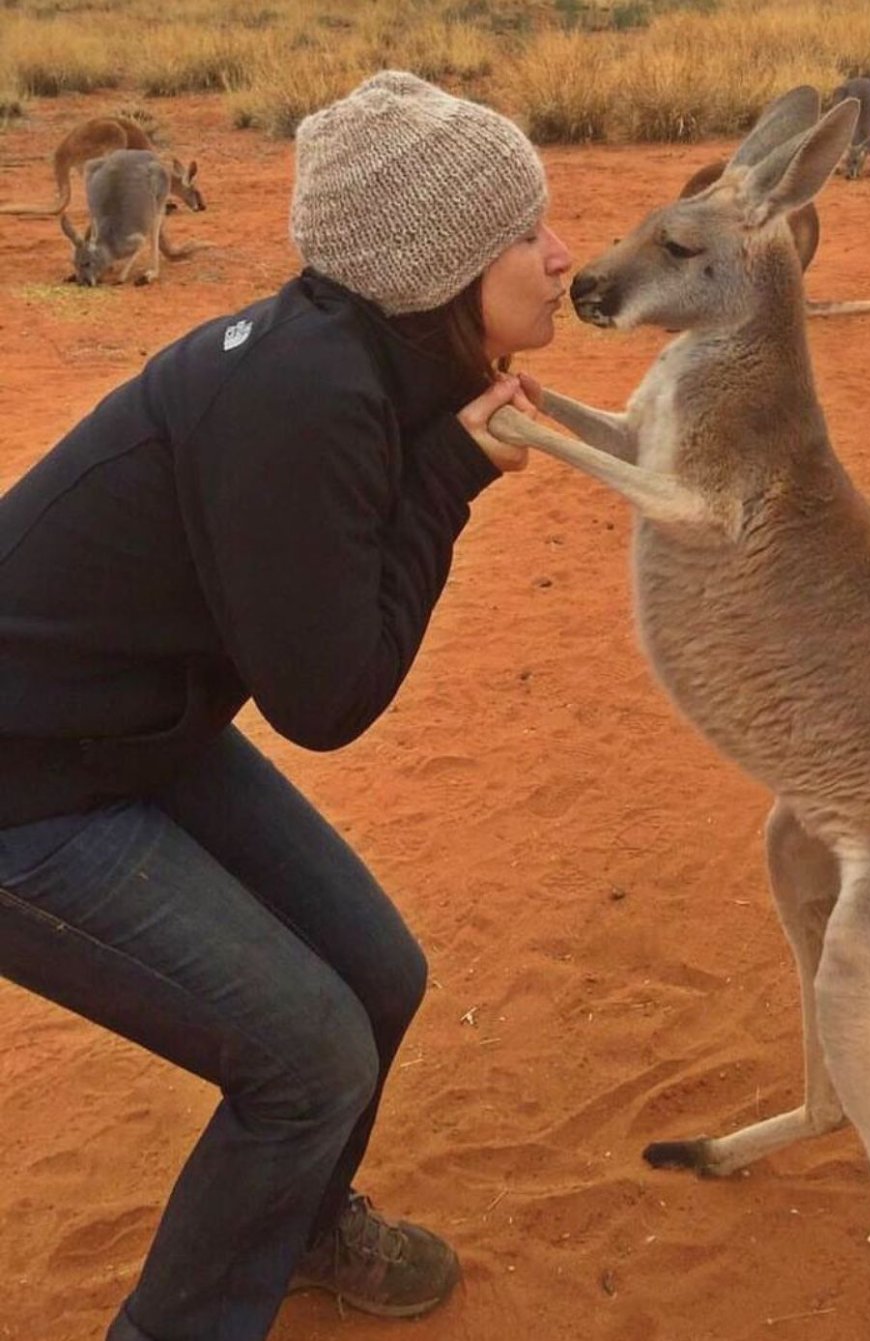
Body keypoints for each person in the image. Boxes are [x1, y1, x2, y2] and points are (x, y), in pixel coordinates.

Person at [0, 71, 571, 1341]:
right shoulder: (310, 397)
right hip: (24, 784)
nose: (561, 254)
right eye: (526, 233)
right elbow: (327, 698)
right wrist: (452, 479)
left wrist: (442, 450)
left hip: (124, 732)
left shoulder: (362, 361)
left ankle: (302, 1227)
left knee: (379, 976)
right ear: (437, 272)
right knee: (309, 1059)